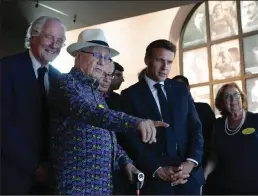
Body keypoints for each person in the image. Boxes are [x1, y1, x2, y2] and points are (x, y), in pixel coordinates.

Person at [49, 29, 168, 195]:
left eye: (106, 58)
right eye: (96, 55)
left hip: (103, 186)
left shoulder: (96, 93)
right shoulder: (65, 83)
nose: (101, 62)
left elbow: (107, 134)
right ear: (78, 55)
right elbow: (89, 113)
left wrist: (126, 162)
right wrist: (135, 122)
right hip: (76, 185)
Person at [119, 39, 204, 194]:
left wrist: (190, 163)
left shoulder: (181, 90)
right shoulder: (129, 95)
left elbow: (196, 128)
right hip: (155, 181)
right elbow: (129, 139)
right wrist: (156, 169)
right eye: (160, 60)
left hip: (188, 176)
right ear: (147, 60)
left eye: (169, 62)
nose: (165, 67)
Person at [0, 16, 65, 194]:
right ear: (33, 36)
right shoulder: (6, 69)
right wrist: (34, 167)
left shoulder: (59, 79)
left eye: (59, 41)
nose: (54, 44)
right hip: (12, 177)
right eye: (49, 37)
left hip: (50, 180)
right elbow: (3, 126)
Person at [204, 82, 258, 194]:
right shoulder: (218, 125)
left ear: (241, 97)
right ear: (221, 102)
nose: (233, 99)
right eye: (227, 96)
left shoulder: (257, 120)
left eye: (236, 94)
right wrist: (203, 176)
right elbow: (214, 156)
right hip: (228, 189)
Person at [98, 61, 143, 194]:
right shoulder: (87, 96)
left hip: (121, 155)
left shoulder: (119, 99)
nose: (121, 79)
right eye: (116, 75)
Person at [172, 75, 215, 167]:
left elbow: (212, 136)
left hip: (204, 160)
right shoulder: (170, 113)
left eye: (182, 87)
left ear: (188, 88)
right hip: (180, 164)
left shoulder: (204, 109)